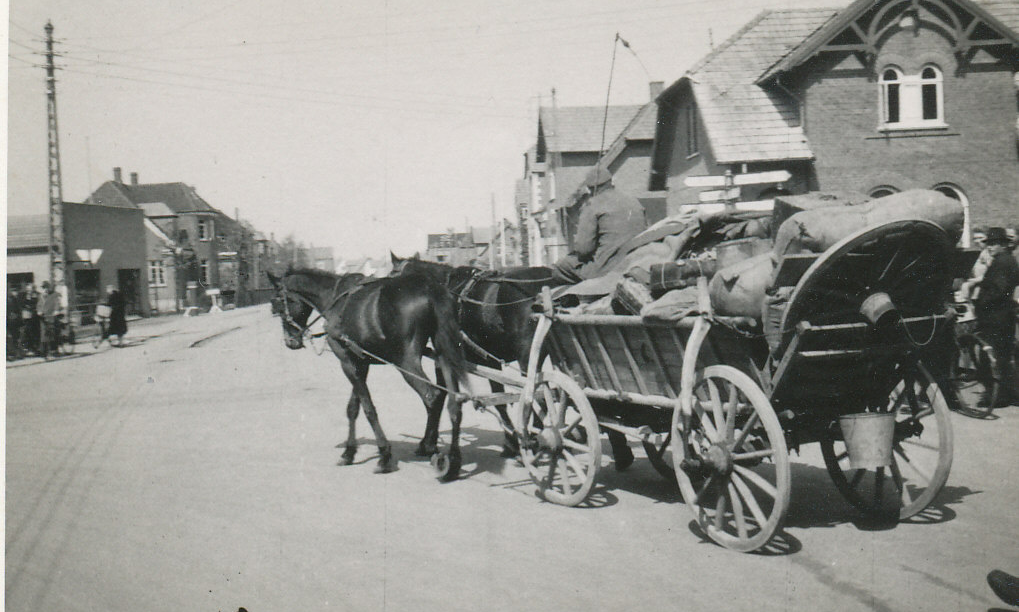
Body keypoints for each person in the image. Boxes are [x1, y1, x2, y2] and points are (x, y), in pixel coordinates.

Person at [553, 166, 648, 284]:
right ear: (611, 182)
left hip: (607, 269)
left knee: (561, 267)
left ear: (590, 188)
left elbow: (584, 249)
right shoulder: (633, 200)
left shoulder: (592, 204)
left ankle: (581, 296)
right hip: (637, 262)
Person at [973, 227, 1019, 407]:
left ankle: (996, 397)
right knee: (1004, 357)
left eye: (994, 244)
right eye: (989, 244)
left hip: (994, 318)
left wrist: (979, 301)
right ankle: (1008, 394)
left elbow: (997, 290)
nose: (990, 247)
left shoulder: (1001, 262)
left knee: (991, 357)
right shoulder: (1009, 260)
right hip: (1004, 317)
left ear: (1002, 245)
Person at [37, 281, 61, 359]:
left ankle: (54, 350)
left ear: (49, 287)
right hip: (43, 318)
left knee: (53, 333)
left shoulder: (54, 295)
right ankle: (44, 353)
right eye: (43, 288)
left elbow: (57, 303)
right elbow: (39, 305)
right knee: (44, 334)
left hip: (52, 317)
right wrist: (39, 311)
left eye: (46, 287)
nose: (45, 289)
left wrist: (56, 310)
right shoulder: (41, 296)